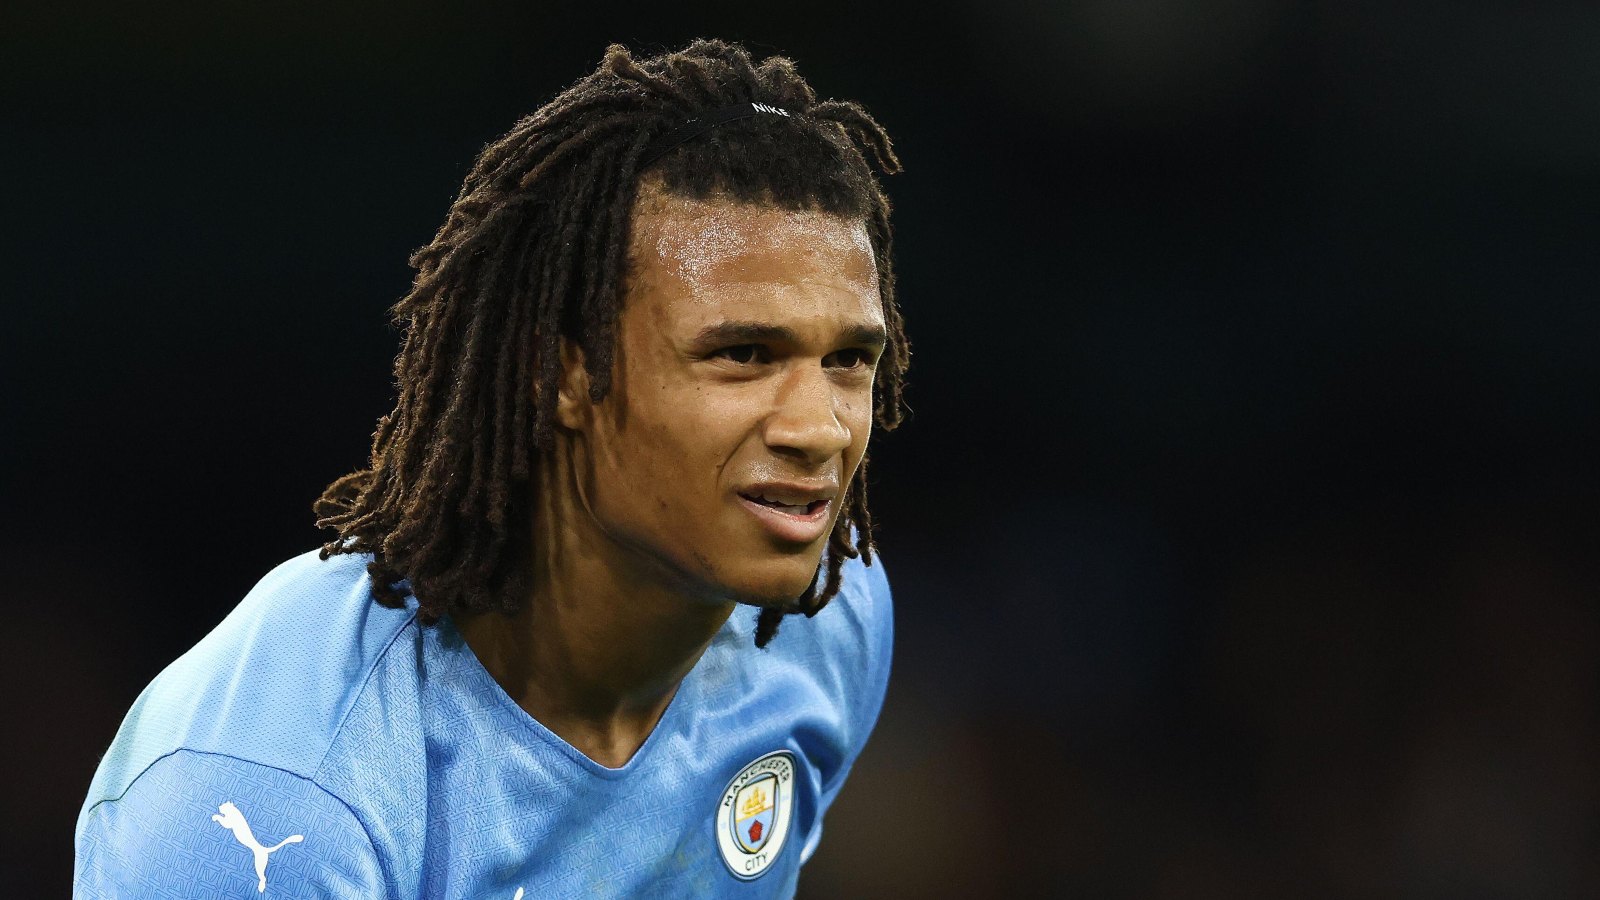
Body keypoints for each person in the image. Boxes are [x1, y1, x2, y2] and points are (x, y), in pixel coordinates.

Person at [74, 38, 910, 898]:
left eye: (849, 359)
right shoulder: (277, 799)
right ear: (563, 371)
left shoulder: (827, 623)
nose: (819, 429)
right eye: (742, 355)